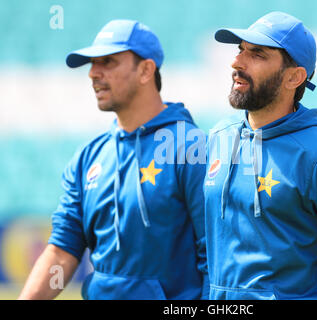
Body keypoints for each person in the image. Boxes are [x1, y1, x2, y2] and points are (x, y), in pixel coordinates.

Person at [204, 11, 317, 300]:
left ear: (294, 77)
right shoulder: (218, 137)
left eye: (257, 54)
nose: (236, 62)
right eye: (240, 50)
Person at [18, 19, 208, 300]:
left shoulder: (192, 148)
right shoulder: (88, 157)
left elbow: (216, 256)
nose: (93, 74)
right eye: (92, 64)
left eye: (108, 62)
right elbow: (62, 251)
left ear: (146, 70)